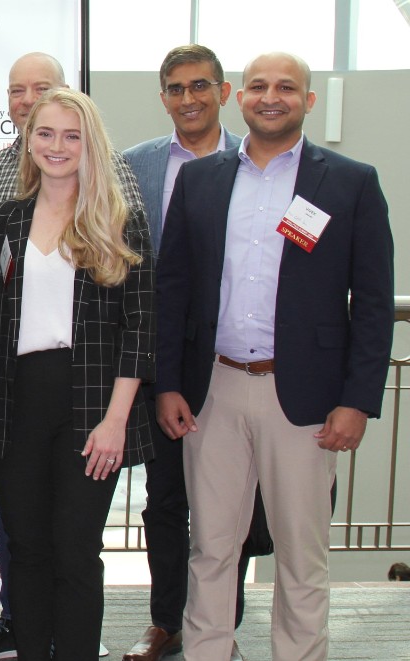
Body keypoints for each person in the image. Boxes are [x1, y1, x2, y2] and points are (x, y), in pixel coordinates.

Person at [156, 52, 394, 661]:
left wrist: (358, 400)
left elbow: (371, 302)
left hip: (309, 399)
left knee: (301, 554)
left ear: (308, 100)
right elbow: (173, 290)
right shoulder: (202, 180)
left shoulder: (349, 181)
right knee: (211, 547)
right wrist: (167, 384)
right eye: (259, 86)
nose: (271, 96)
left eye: (287, 87)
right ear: (240, 97)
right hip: (214, 390)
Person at [0, 51, 146, 661]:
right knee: (26, 549)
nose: (56, 146)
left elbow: (140, 330)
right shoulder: (2, 219)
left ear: (90, 143)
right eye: (46, 134)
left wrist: (116, 422)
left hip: (89, 402)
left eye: (70, 135)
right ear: (28, 141)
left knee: (77, 551)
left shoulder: (117, 220)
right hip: (12, 399)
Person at [120, 44, 260, 661]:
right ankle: (168, 624)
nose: (189, 99)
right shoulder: (136, 166)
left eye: (200, 86)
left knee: (235, 506)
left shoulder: (257, 162)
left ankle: (220, 625)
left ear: (224, 92)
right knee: (168, 500)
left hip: (236, 362)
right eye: (176, 89)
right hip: (163, 364)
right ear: (163, 98)